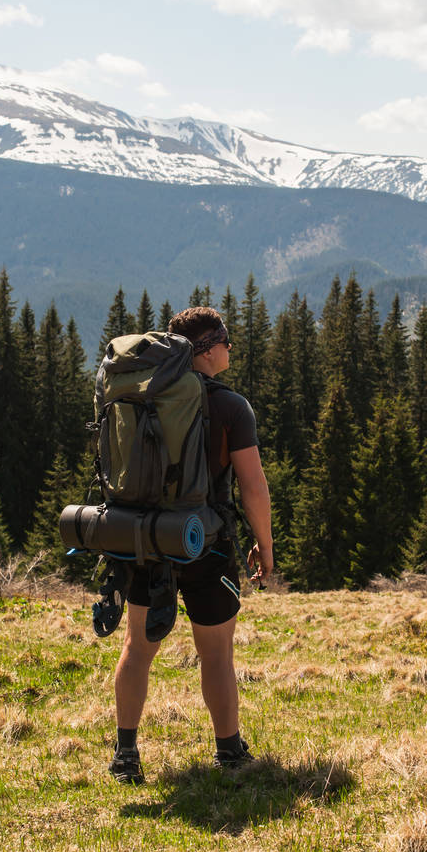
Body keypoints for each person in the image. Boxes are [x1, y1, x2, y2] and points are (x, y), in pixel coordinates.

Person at [108, 306, 273, 784]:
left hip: (146, 537)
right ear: (203, 348)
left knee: (138, 649)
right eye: (223, 337)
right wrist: (264, 545)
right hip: (208, 542)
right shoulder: (229, 406)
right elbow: (253, 487)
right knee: (217, 654)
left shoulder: (143, 395)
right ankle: (229, 753)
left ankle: (126, 753)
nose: (229, 345)